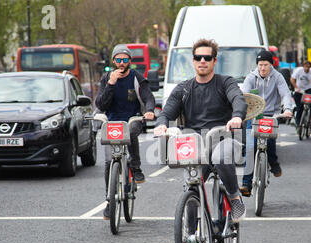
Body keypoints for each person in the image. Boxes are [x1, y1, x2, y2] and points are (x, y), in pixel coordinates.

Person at [154, 38, 248, 224]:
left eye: (207, 57)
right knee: (191, 188)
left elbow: (238, 98)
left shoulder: (225, 82)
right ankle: (193, 242)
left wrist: (237, 116)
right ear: (193, 60)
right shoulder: (184, 88)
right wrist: (162, 123)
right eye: (198, 57)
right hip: (197, 144)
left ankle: (235, 197)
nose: (202, 61)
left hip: (225, 137)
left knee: (220, 158)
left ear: (215, 60)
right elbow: (167, 111)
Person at [95, 44, 156, 220]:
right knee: (108, 162)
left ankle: (135, 167)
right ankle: (109, 201)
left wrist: (150, 110)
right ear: (113, 61)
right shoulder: (107, 78)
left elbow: (148, 97)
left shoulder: (137, 77)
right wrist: (111, 84)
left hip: (133, 119)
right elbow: (101, 104)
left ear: (130, 61)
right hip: (112, 123)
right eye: (118, 60)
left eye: (125, 59)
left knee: (130, 131)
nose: (121, 63)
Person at [238, 50, 294, 197]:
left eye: (266, 65)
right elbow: (244, 94)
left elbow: (285, 94)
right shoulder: (251, 77)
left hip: (270, 116)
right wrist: (240, 112)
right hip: (253, 116)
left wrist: (287, 109)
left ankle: (274, 163)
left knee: (269, 144)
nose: (262, 68)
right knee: (250, 148)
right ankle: (246, 184)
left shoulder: (278, 77)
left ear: (271, 65)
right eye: (260, 65)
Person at [290, 61, 311, 130]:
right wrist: (296, 88)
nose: (307, 69)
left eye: (308, 67)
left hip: (308, 89)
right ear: (303, 66)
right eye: (305, 67)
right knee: (299, 107)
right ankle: (298, 122)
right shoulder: (299, 70)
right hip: (299, 90)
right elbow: (292, 79)